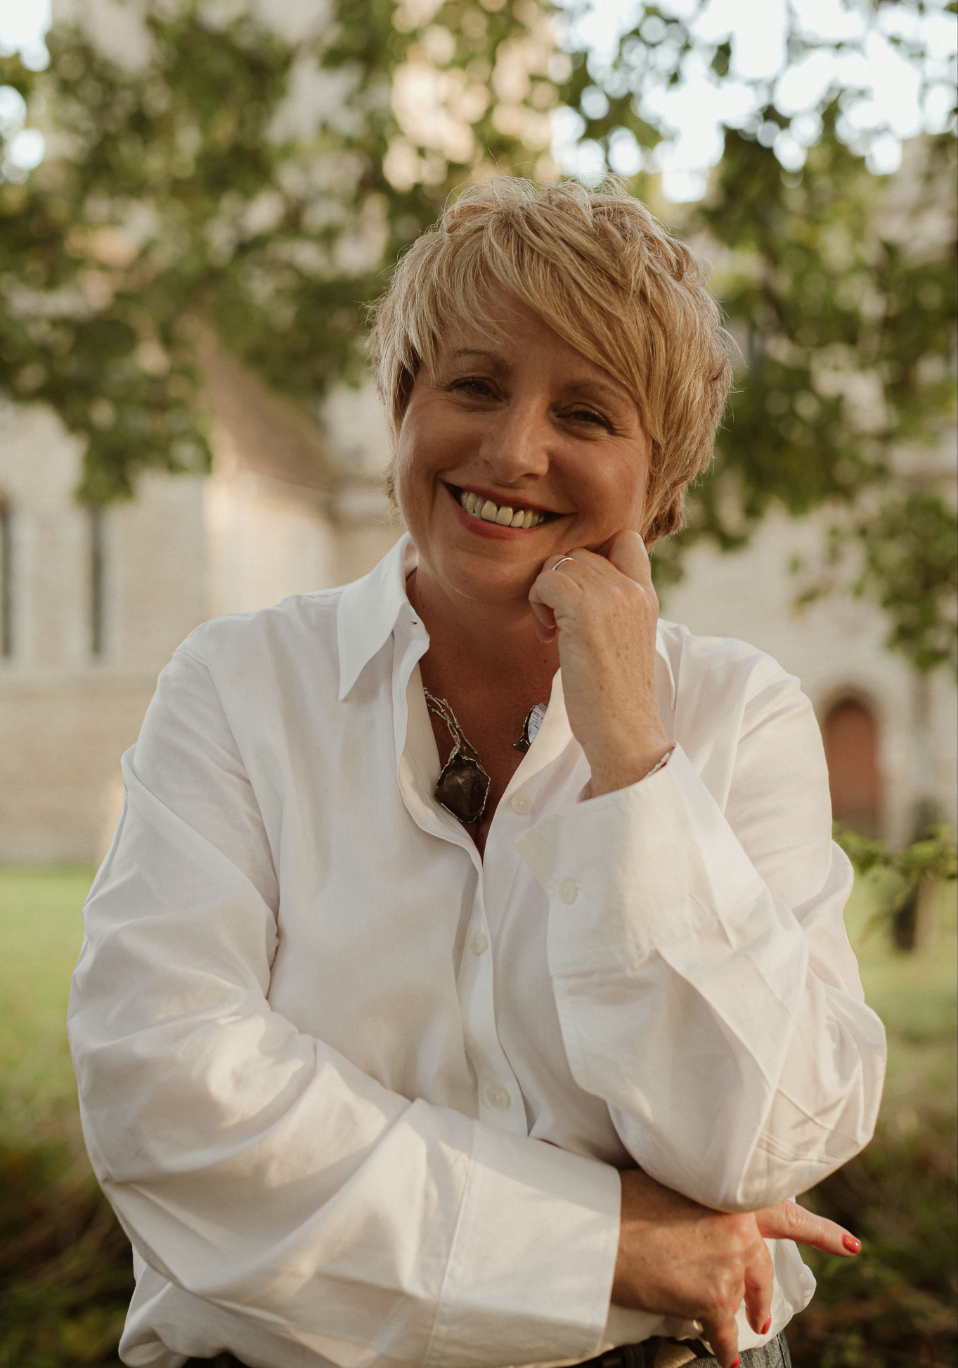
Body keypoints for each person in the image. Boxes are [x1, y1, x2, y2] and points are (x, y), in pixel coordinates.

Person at [68, 177, 886, 1368]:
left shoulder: (735, 716)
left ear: (659, 488)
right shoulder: (239, 689)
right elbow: (167, 1097)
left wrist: (634, 762)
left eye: (586, 414)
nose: (511, 450)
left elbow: (767, 1141)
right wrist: (602, 1245)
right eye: (474, 386)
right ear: (405, 405)